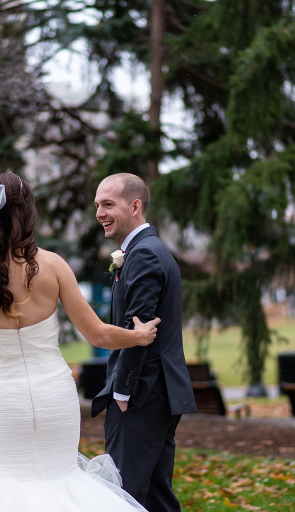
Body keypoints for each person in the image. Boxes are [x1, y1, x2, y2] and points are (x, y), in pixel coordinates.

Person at [0, 172, 160, 512]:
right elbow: (98, 335)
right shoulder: (51, 266)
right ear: (25, 214)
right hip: (55, 401)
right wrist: (138, 337)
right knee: (61, 485)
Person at [90, 173, 197, 512]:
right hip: (160, 393)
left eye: (109, 204)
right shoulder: (146, 250)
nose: (100, 213)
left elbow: (139, 329)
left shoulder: (144, 255)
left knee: (126, 494)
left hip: (140, 395)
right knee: (156, 496)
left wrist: (123, 391)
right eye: (97, 205)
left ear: (135, 206)